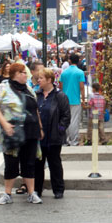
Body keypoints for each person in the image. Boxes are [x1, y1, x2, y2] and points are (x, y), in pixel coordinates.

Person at [0, 63, 44, 205]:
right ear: (16, 74)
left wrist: (40, 127)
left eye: (25, 73)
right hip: (12, 131)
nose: (26, 75)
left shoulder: (29, 89)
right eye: (23, 72)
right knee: (11, 164)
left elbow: (35, 110)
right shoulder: (3, 87)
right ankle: (7, 194)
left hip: (31, 131)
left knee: (29, 163)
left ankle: (31, 193)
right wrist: (4, 123)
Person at [35, 68, 70, 199]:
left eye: (41, 78)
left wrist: (60, 129)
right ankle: (37, 190)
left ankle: (58, 189)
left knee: (54, 163)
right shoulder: (37, 95)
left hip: (54, 136)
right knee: (38, 164)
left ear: (49, 80)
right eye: (38, 78)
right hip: (39, 137)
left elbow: (66, 116)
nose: (38, 80)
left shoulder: (60, 96)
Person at [59, 53, 86, 146]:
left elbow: (60, 87)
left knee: (65, 120)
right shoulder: (80, 72)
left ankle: (65, 140)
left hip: (64, 100)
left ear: (69, 61)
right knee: (74, 120)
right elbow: (82, 87)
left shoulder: (64, 72)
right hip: (75, 99)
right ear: (78, 61)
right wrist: (83, 100)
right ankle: (73, 140)